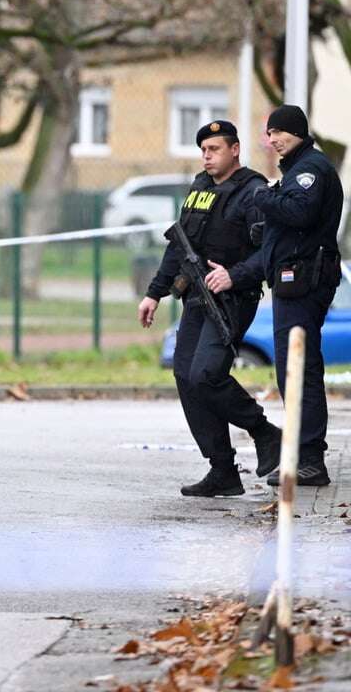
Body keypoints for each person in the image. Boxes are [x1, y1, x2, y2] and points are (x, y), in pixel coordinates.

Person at [137, 120, 282, 497]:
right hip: (197, 298)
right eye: (203, 150)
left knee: (205, 374)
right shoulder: (199, 188)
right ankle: (223, 470)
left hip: (233, 299)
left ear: (234, 150)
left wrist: (235, 275)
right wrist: (154, 293)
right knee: (185, 376)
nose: (206, 156)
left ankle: (265, 432)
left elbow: (271, 252)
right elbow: (179, 244)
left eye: (214, 149)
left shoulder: (253, 192)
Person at [250, 105, 342, 487]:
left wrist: (262, 197)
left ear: (297, 132)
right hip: (293, 282)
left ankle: (309, 460)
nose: (272, 140)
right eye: (269, 134)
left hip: (304, 283)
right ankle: (301, 455)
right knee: (294, 368)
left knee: (300, 368)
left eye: (278, 133)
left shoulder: (310, 170)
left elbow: (299, 213)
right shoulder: (298, 170)